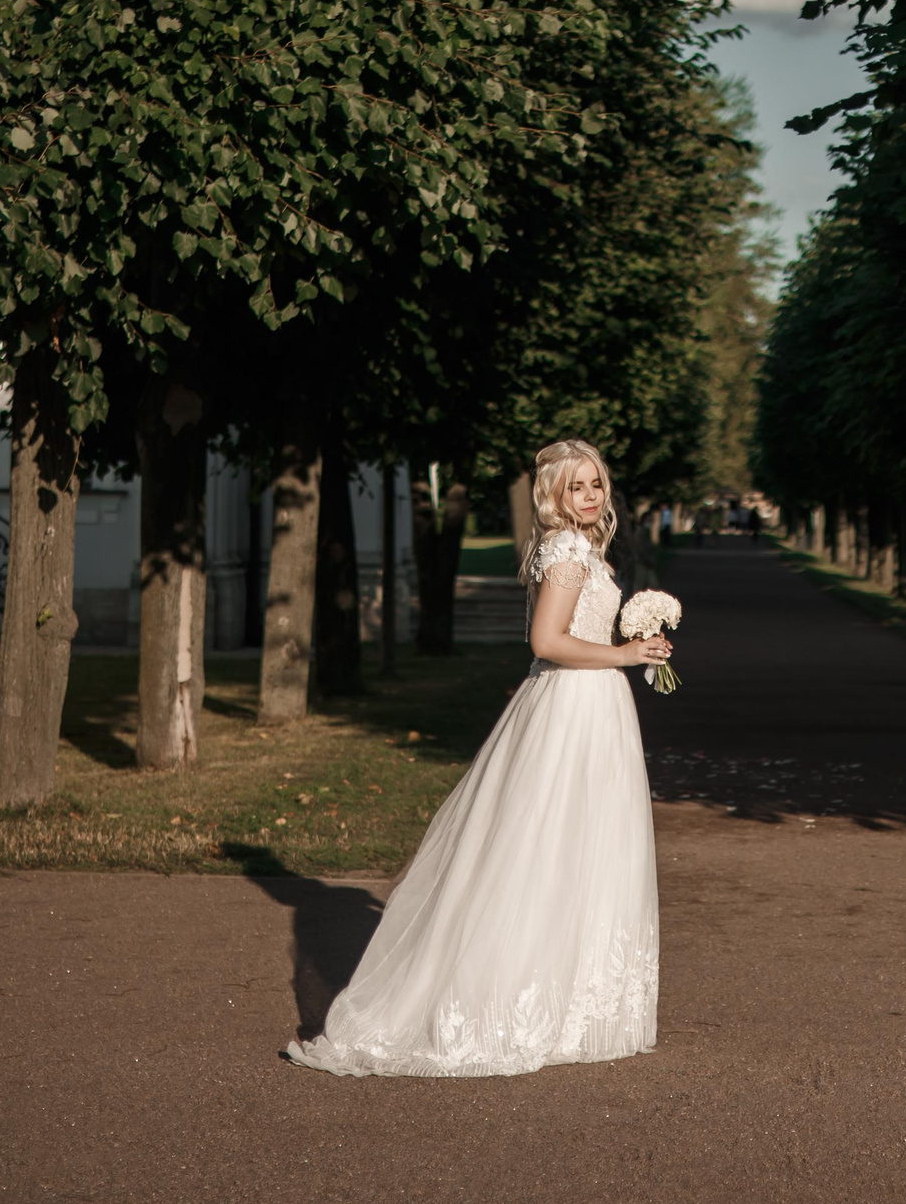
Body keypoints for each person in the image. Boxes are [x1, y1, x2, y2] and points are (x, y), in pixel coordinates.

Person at [285, 439, 672, 1078]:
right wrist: (625, 656)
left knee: (578, 849)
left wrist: (630, 642)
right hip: (573, 710)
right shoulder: (568, 549)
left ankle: (572, 1003)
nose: (590, 495)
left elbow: (573, 632)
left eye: (596, 483)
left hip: (593, 708)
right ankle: (522, 1005)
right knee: (548, 850)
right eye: (576, 486)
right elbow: (547, 641)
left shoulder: (581, 548)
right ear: (553, 493)